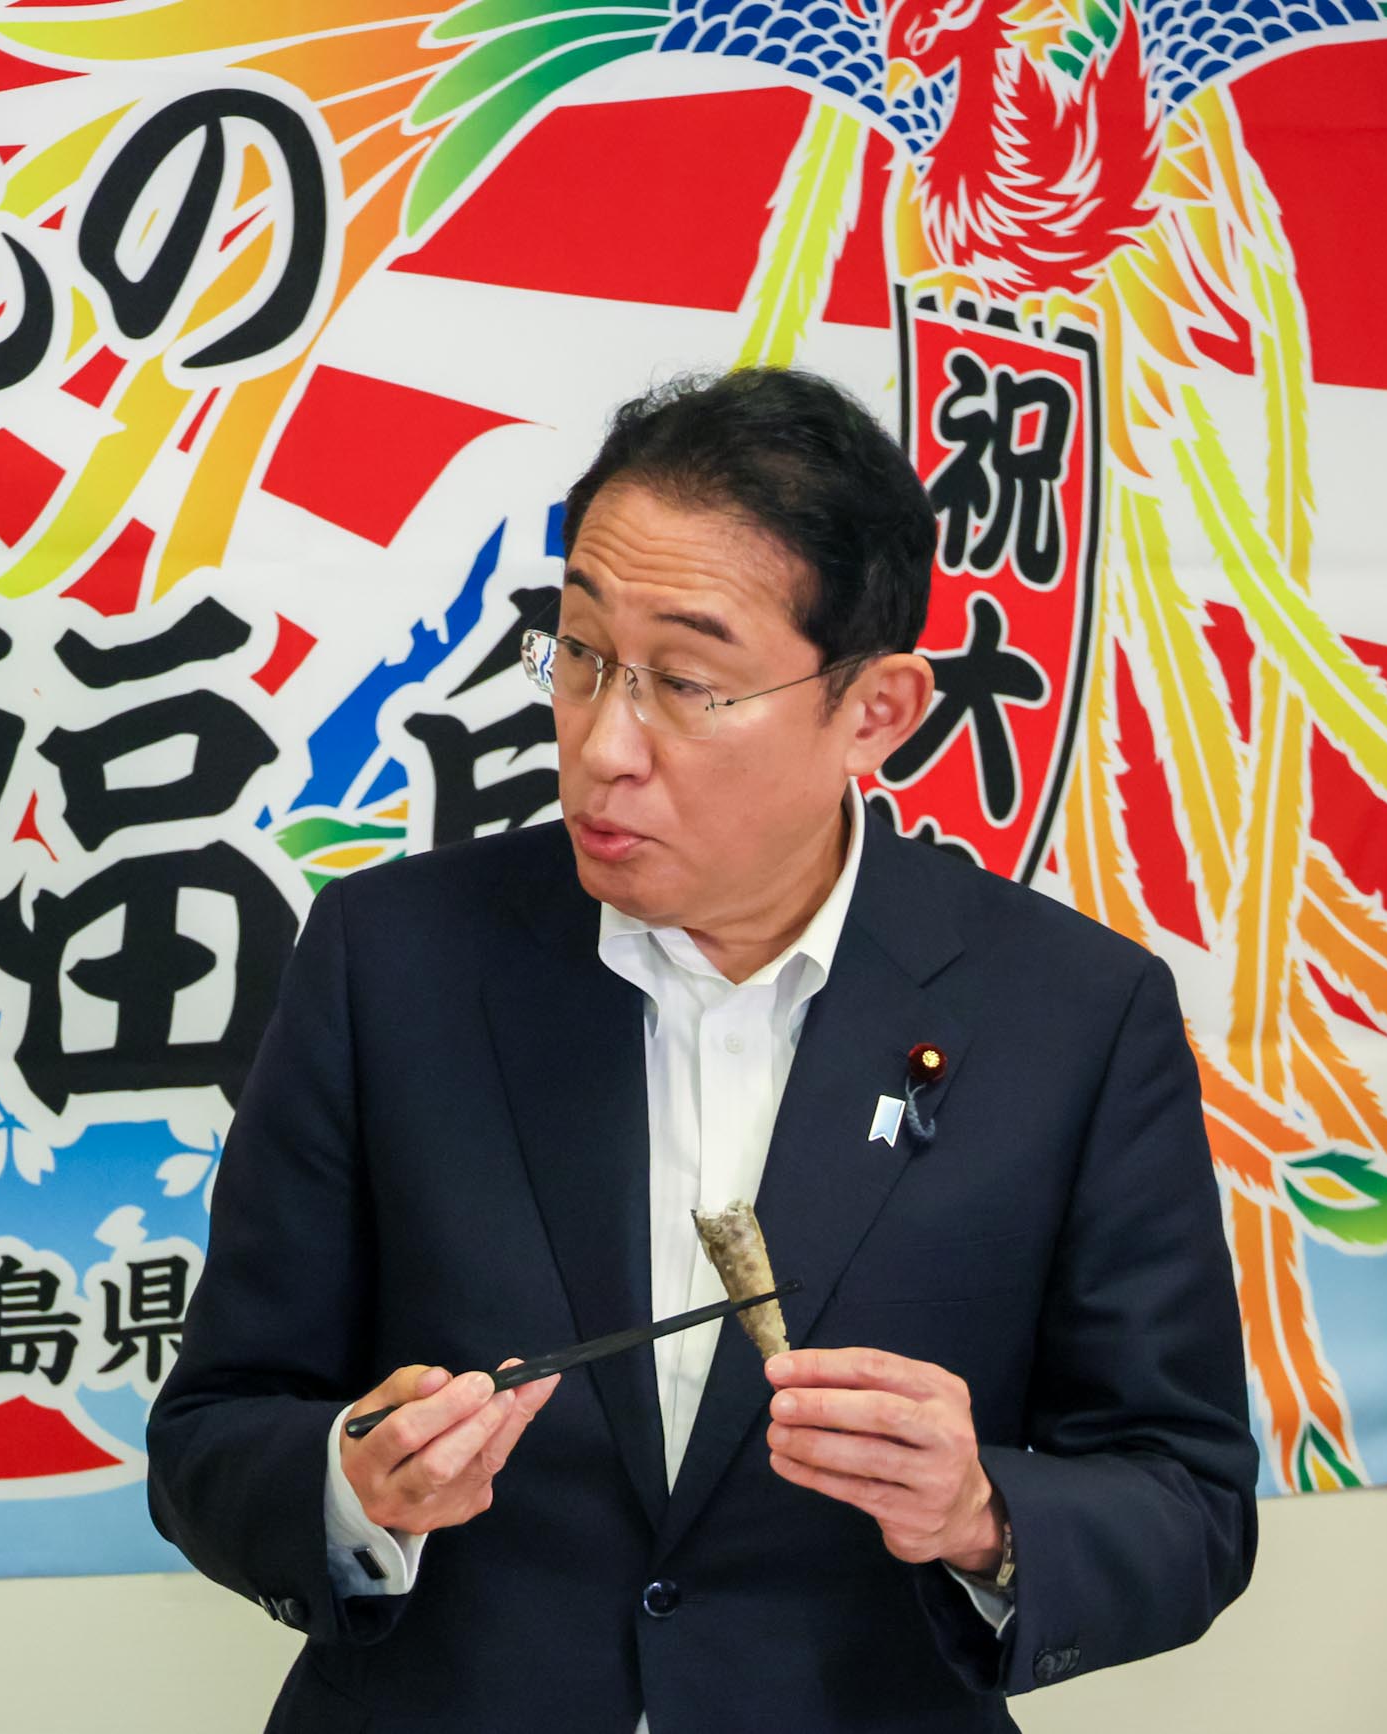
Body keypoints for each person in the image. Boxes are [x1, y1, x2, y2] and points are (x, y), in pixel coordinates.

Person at [148, 368, 1258, 1731]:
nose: (605, 742)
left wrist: (980, 1513)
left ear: (877, 711)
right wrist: (349, 1484)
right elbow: (213, 1429)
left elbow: (1188, 1499)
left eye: (687, 681)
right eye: (582, 653)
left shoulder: (1073, 1015)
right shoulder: (393, 960)